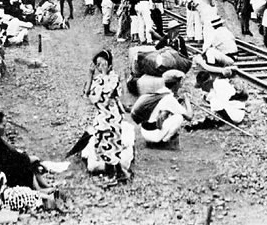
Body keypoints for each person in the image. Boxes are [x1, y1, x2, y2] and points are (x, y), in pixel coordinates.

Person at [82, 50, 127, 183]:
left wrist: (101, 77)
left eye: (103, 63)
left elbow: (104, 95)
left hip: (111, 117)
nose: (100, 66)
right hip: (102, 116)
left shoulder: (113, 78)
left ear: (109, 64)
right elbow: (87, 95)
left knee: (110, 145)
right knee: (103, 144)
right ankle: (119, 172)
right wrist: (90, 75)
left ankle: (111, 174)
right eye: (98, 64)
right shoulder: (99, 78)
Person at [131, 70, 193, 146]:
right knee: (179, 117)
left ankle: (158, 140)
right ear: (176, 83)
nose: (181, 85)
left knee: (168, 115)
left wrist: (178, 101)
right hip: (153, 135)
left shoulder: (160, 92)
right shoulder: (170, 98)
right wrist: (187, 100)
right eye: (180, 82)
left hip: (145, 131)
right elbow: (189, 117)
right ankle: (164, 141)